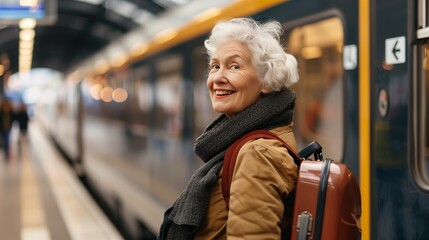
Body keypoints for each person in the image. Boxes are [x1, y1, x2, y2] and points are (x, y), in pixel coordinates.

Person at [158, 17, 299, 239]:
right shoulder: (246, 138)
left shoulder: (258, 154)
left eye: (234, 66)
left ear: (266, 82)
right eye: (215, 66)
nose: (218, 77)